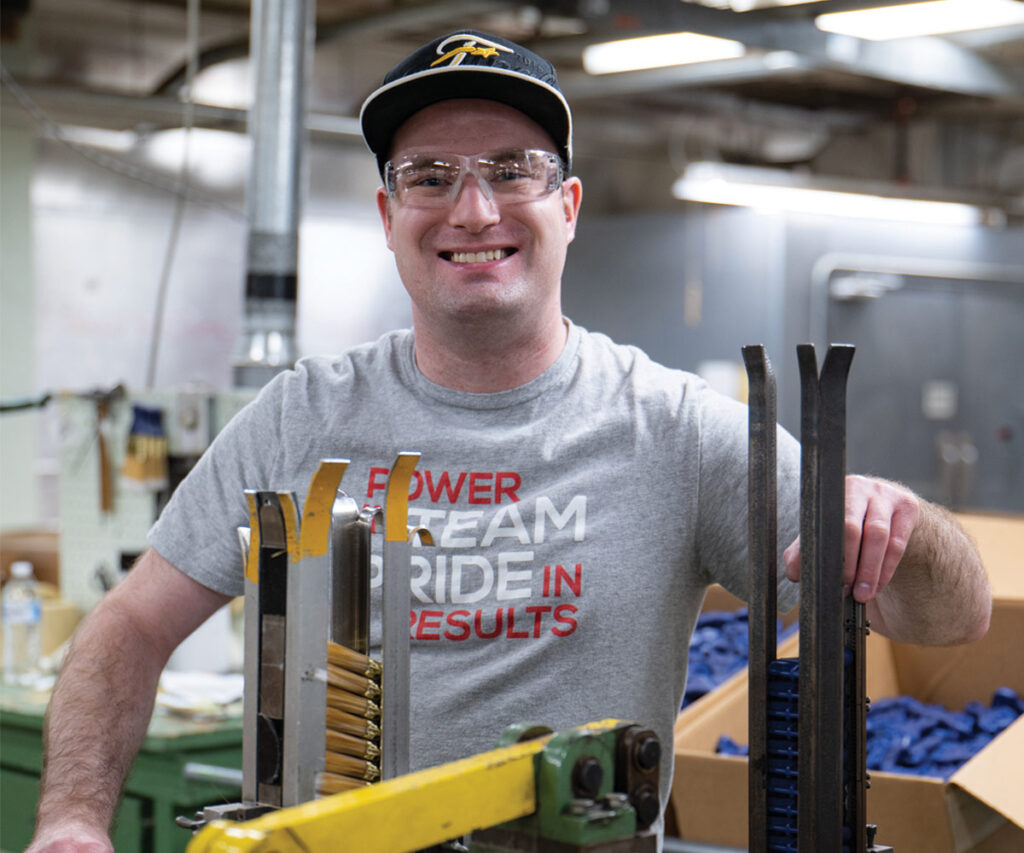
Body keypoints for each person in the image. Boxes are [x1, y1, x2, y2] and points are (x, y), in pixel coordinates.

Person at [28, 30, 990, 853]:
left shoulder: (676, 429)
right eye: (429, 177)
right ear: (388, 218)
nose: (473, 209)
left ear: (567, 208)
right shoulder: (299, 417)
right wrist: (71, 820)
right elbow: (128, 627)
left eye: (511, 170)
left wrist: (900, 525)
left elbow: (950, 619)